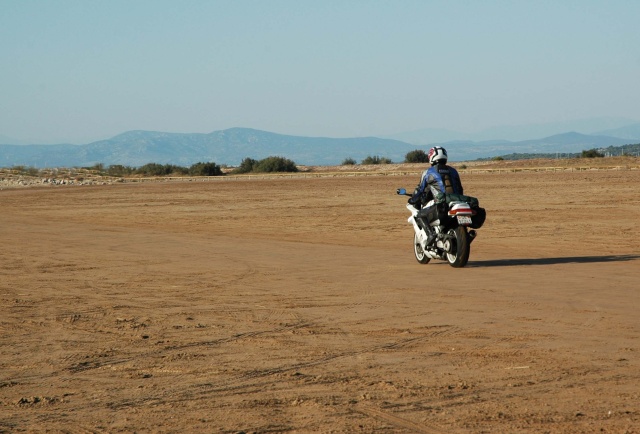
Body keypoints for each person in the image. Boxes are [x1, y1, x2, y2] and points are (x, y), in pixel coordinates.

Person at [408, 146, 464, 245]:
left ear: (432, 157)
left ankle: (430, 235)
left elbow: (420, 190)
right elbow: (460, 189)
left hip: (441, 204)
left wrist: (412, 200)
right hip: (457, 201)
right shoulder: (454, 171)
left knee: (420, 215)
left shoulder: (428, 172)